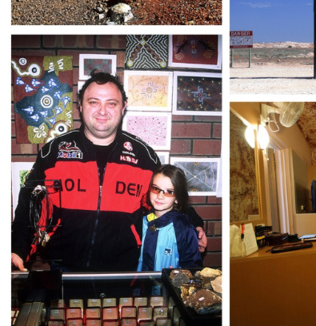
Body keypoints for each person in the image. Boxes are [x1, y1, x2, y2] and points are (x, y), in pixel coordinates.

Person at [11, 71, 206, 272]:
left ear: (123, 107)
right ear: (80, 105)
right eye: (94, 102)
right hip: (64, 272)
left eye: (111, 103)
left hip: (124, 274)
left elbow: (167, 193)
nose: (102, 111)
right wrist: (17, 248)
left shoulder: (143, 156)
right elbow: (30, 204)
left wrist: (195, 224)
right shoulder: (54, 152)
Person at [137, 165, 203, 271]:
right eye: (156, 189)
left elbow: (192, 266)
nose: (160, 196)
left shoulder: (183, 228)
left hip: (168, 286)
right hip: (139, 286)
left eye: (169, 192)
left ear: (177, 197)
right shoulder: (140, 221)